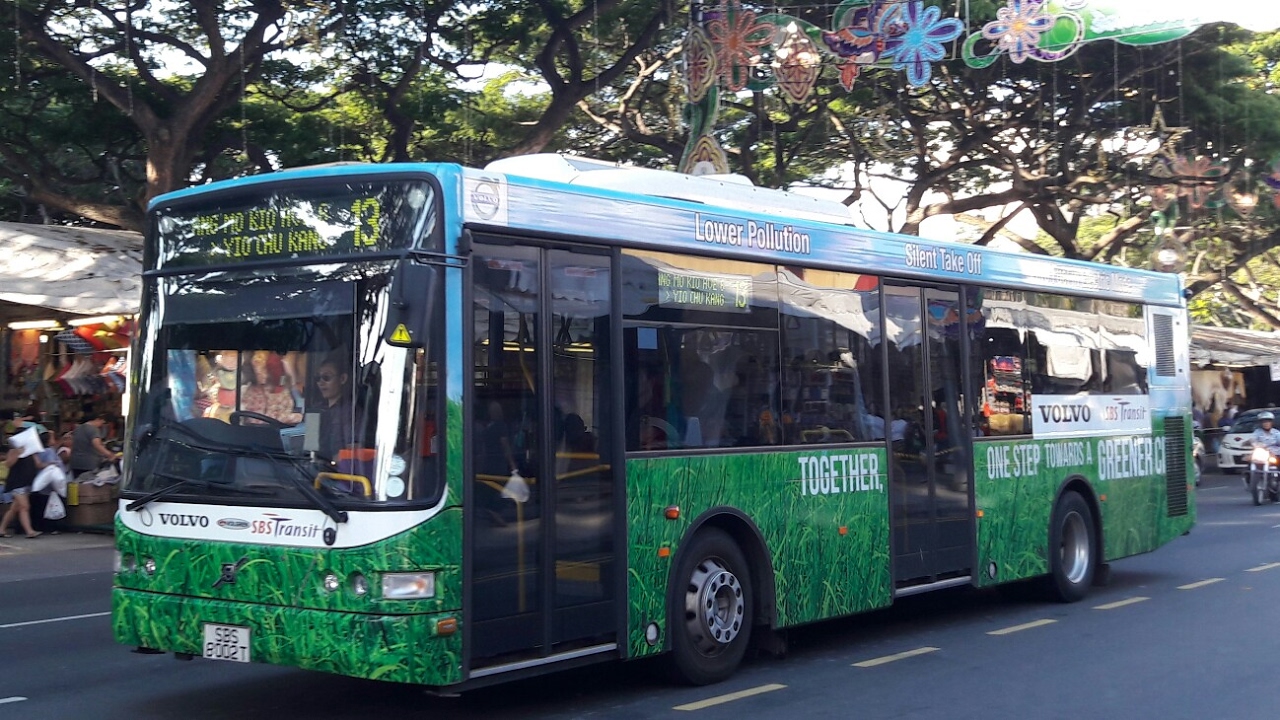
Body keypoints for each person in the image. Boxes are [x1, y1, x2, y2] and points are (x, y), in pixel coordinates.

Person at [0, 427, 43, 538]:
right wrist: (18, 454)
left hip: (27, 481)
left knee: (15, 508)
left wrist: (49, 464)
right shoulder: (14, 450)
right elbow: (8, 464)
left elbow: (38, 464)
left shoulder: (31, 449)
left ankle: (2, 529)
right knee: (25, 506)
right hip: (16, 482)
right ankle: (29, 531)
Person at [316, 358, 355, 461]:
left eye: (326, 377)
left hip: (337, 472)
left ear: (342, 379)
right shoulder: (314, 410)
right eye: (318, 378)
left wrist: (331, 461)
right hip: (309, 472)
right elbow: (308, 446)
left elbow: (354, 448)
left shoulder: (351, 411)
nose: (321, 383)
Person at [69, 413, 117, 480]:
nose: (102, 425)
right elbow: (97, 445)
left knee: (77, 485)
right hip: (89, 463)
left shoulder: (78, 428)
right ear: (97, 420)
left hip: (75, 462)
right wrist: (110, 455)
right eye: (102, 423)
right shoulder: (93, 430)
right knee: (87, 485)